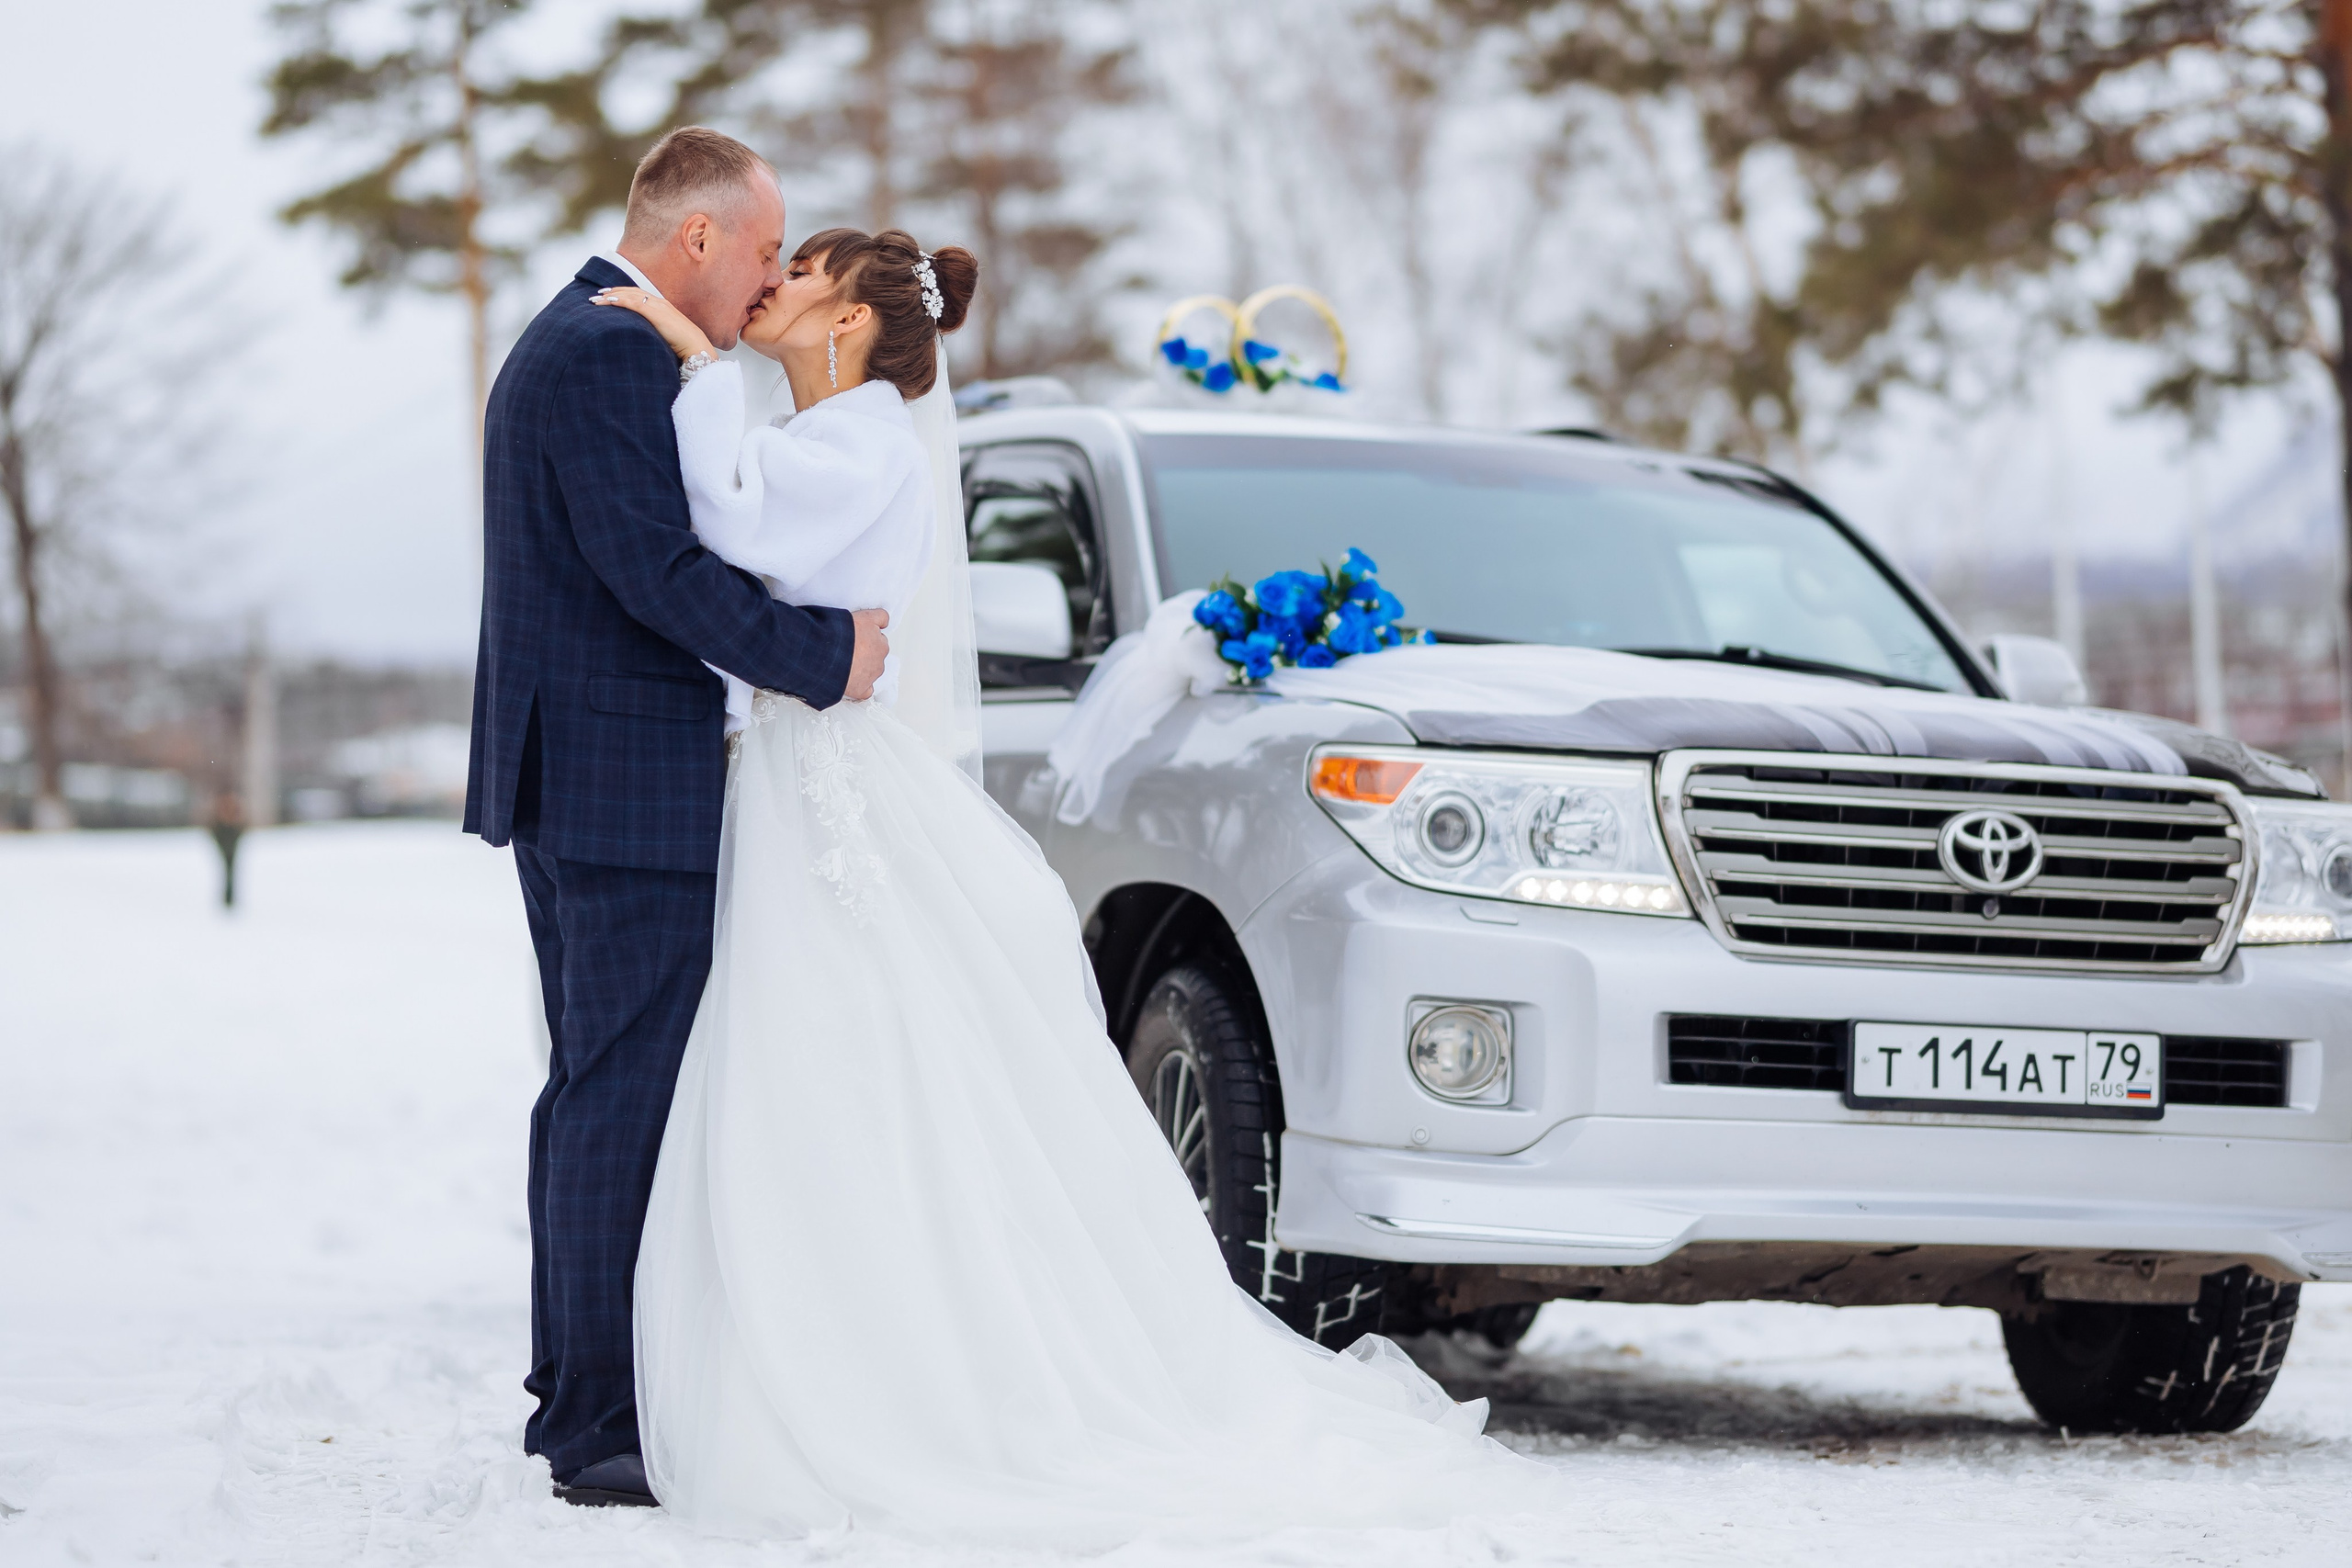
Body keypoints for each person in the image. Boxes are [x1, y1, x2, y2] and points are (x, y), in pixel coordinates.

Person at [592, 229, 1552, 1547]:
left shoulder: (858, 438)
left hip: (829, 782)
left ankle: (891, 1369)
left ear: (854, 321)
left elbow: (730, 522)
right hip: (799, 775)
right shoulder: (832, 427)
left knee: (834, 1053)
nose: (775, 286)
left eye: (802, 274)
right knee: (813, 1059)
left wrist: (694, 374)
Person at [460, 127, 891, 1509]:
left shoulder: (605, 343)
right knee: (617, 1098)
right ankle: (596, 1425)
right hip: (613, 782)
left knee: (604, 1086)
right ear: (695, 237)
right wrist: (828, 659)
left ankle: (587, 1394)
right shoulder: (604, 352)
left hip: (600, 774)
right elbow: (652, 571)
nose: (770, 275)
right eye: (765, 248)